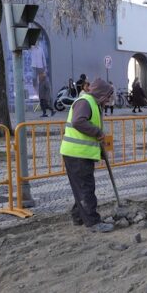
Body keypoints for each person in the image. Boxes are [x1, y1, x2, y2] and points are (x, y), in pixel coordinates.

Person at [59, 78, 114, 233]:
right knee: (86, 188)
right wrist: (97, 132)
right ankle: (93, 222)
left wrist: (100, 147)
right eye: (108, 95)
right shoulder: (85, 102)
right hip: (77, 154)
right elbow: (78, 122)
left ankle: (78, 216)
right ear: (101, 93)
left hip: (79, 153)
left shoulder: (92, 103)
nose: (109, 99)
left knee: (81, 187)